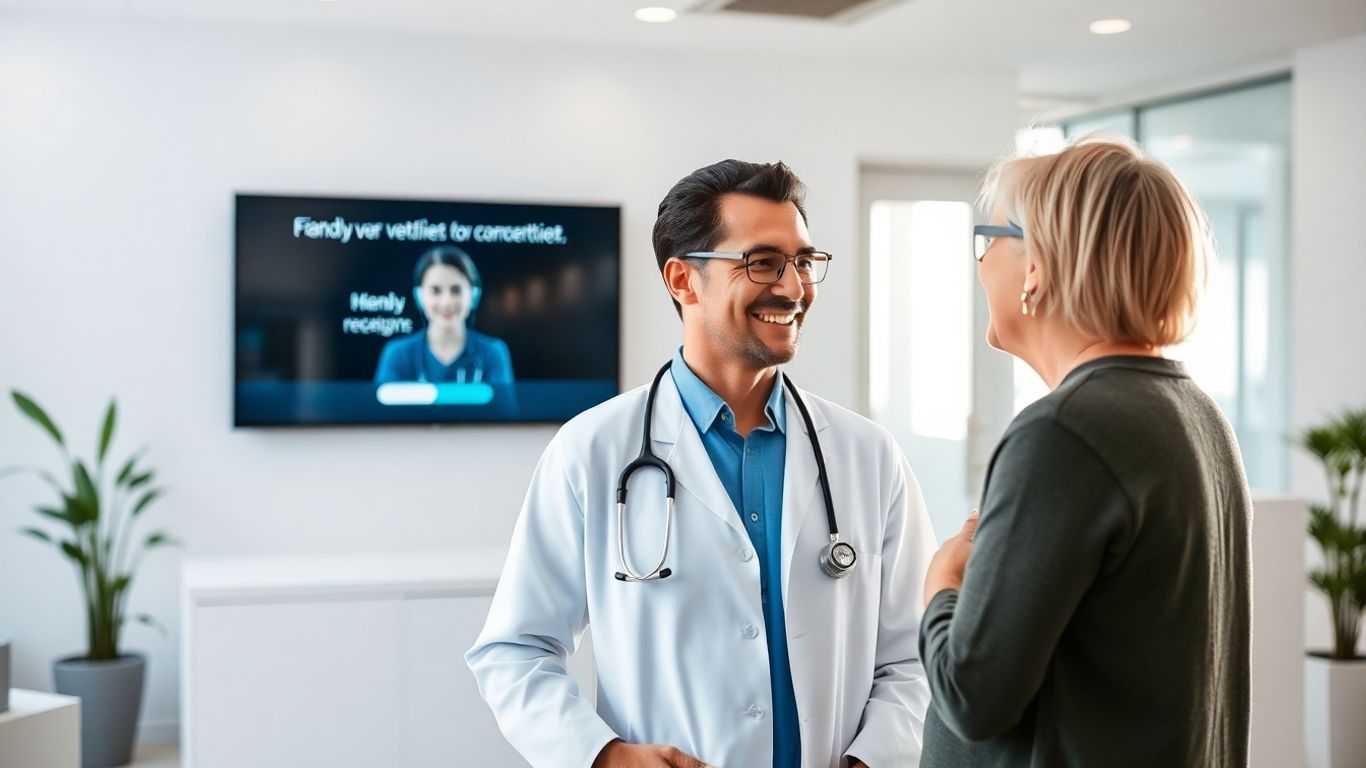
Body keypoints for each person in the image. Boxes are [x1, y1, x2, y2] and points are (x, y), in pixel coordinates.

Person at [467, 160, 937, 768]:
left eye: (803, 261)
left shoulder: (867, 455)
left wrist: (873, 758)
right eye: (763, 262)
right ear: (683, 279)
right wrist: (603, 755)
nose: (794, 288)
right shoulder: (592, 451)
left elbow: (914, 657)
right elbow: (515, 650)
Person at [918, 138, 1252, 767]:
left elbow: (972, 696)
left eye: (988, 240)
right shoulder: (1200, 416)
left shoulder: (1064, 434)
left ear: (1037, 266)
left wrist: (944, 584)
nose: (981, 264)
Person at [373, 245, 515, 388]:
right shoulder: (398, 354)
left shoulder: (492, 354)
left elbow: (502, 403)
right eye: (435, 290)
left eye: (456, 290)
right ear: (419, 296)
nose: (446, 302)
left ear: (474, 295)